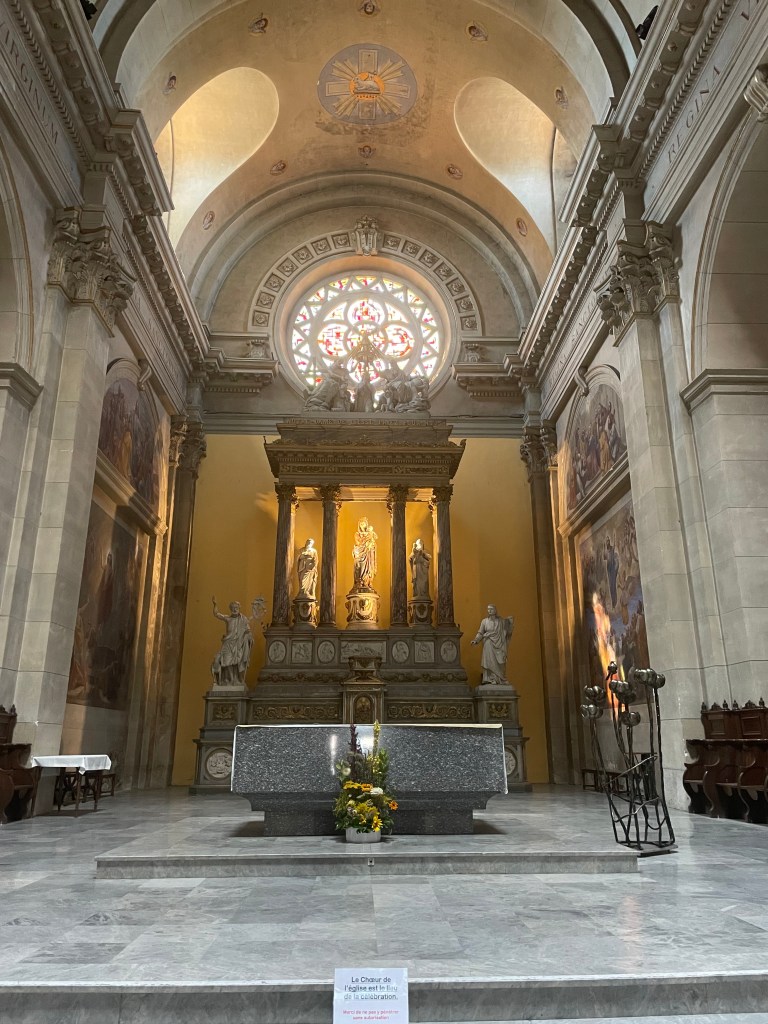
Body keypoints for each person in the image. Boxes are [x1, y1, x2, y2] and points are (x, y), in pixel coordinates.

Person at [211, 598, 254, 688]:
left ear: (239, 608)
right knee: (226, 662)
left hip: (239, 643)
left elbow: (248, 631)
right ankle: (228, 680)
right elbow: (216, 614)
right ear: (230, 609)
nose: (235, 609)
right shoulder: (228, 619)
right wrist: (215, 605)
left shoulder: (243, 620)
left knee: (237, 662)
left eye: (236, 607)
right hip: (227, 643)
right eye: (233, 608)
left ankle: (236, 680)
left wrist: (249, 637)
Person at [471, 604, 515, 685]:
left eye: (491, 609)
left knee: (501, 661)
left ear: (495, 610)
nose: (489, 611)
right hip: (489, 644)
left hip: (500, 644)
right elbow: (480, 633)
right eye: (488, 609)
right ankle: (492, 679)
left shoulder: (501, 621)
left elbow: (508, 631)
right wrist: (476, 640)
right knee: (489, 661)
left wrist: (511, 623)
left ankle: (501, 678)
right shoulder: (484, 621)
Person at [352, 517, 377, 590]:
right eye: (361, 524)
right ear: (359, 525)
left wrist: (372, 544)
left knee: (369, 568)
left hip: (368, 554)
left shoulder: (370, 534)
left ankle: (367, 581)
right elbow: (358, 543)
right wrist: (367, 538)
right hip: (360, 554)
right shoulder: (357, 534)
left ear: (366, 525)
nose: (362, 525)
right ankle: (359, 581)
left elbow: (374, 544)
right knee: (358, 566)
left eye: (364, 524)